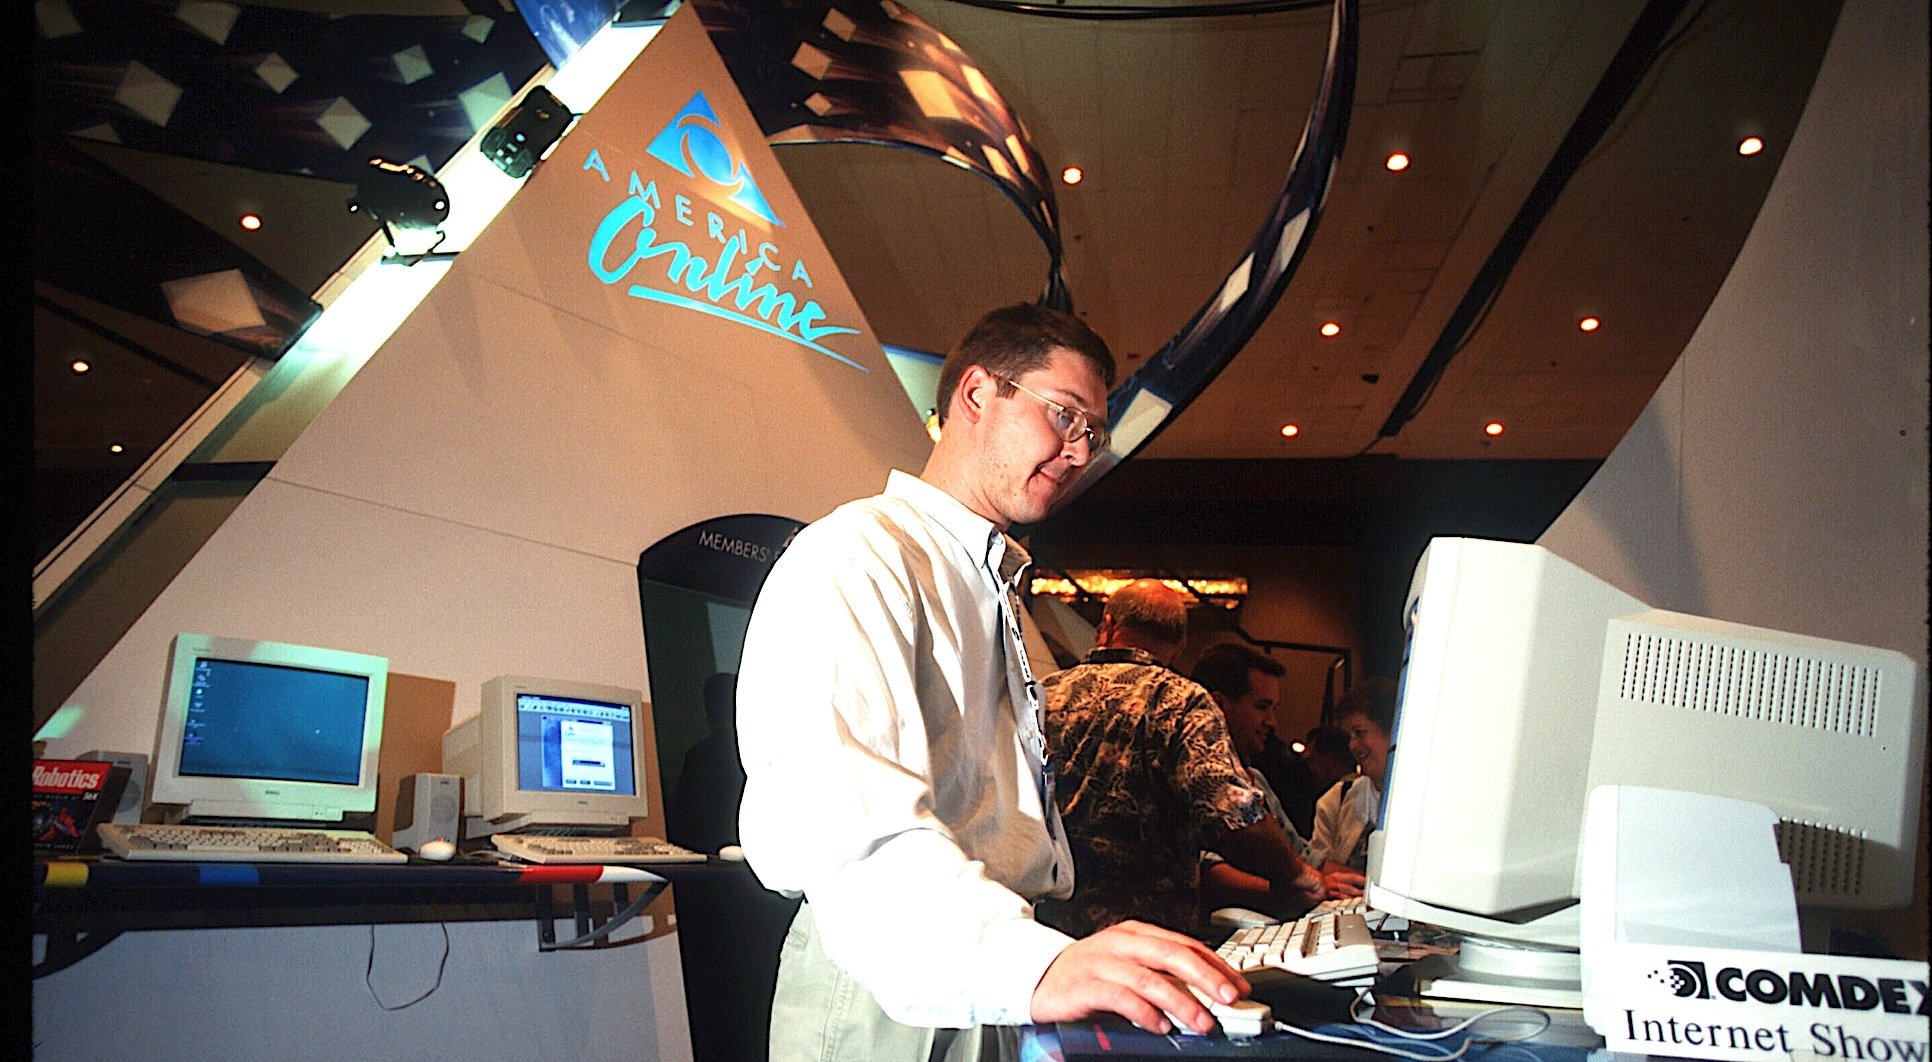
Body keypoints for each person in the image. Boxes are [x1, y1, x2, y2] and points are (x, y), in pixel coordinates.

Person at [735, 304, 1253, 1060]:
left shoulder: (992, 586)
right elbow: (847, 827)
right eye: (1065, 416)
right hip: (895, 971)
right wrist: (1034, 961)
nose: (1078, 454)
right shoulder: (857, 555)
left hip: (986, 958)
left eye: (1092, 435)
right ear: (978, 394)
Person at [1036, 582, 1325, 938]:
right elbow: (1234, 815)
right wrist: (1296, 875)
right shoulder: (1181, 701)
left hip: (1051, 936)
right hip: (1149, 940)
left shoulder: (1044, 694)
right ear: (1180, 645)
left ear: (1108, 625)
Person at [1189, 643, 1365, 912]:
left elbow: (1304, 855)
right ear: (1219, 705)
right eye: (1262, 707)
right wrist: (1304, 890)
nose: (1272, 722)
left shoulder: (1256, 780)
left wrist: (1362, 887)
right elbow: (1206, 870)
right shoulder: (1190, 779)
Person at [1306, 677, 1399, 878]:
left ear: (1393, 732)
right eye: (1350, 737)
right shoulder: (1336, 799)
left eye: (1360, 733)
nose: (1353, 746)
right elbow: (1316, 868)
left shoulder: (1428, 799)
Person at [665, 671, 745, 855]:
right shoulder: (760, 750)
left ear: (705, 711)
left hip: (712, 862)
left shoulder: (698, 756)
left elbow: (682, 825)